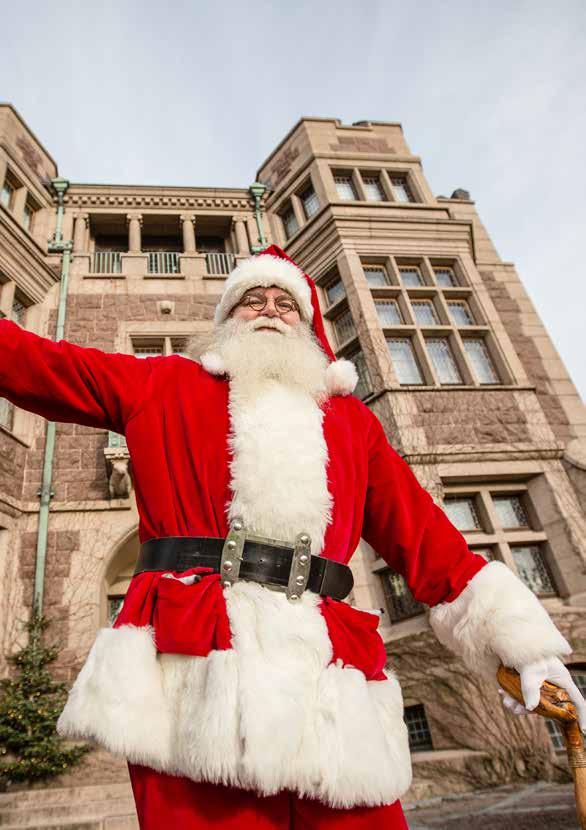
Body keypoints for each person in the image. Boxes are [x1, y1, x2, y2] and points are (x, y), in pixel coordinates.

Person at [1, 244, 584, 829]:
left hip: (327, 673)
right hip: (195, 668)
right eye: (252, 299)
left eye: (286, 303)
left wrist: (525, 648)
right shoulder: (162, 383)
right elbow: (37, 364)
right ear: (227, 319)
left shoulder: (352, 422)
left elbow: (425, 535)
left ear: (308, 329)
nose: (270, 310)